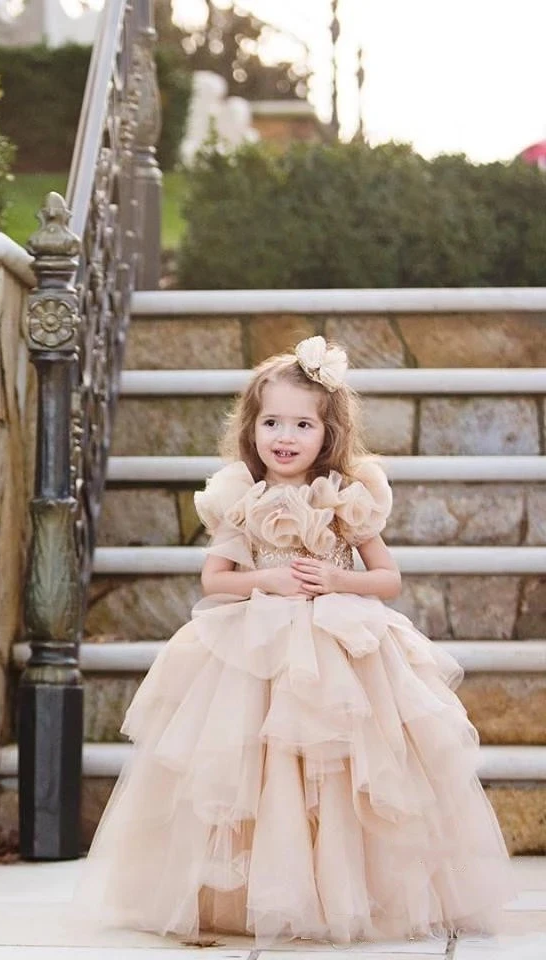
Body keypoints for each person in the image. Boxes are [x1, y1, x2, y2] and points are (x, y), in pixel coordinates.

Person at [76, 336, 515, 945]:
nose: (285, 435)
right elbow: (216, 579)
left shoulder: (347, 499)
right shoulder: (240, 498)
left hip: (342, 648)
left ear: (328, 432)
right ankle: (250, 891)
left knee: (339, 770)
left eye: (302, 423)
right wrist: (271, 579)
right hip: (258, 647)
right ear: (251, 427)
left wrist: (339, 578)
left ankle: (346, 887)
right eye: (271, 421)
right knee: (263, 767)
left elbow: (387, 578)